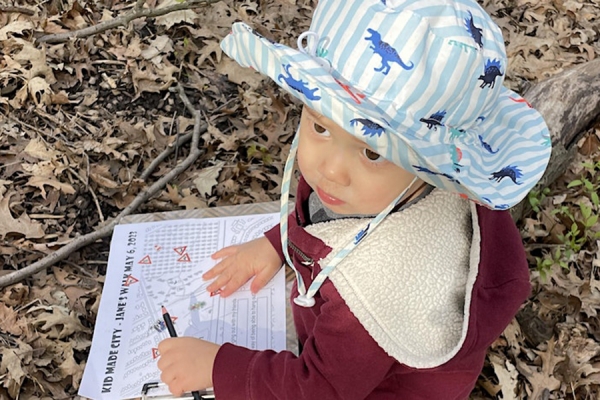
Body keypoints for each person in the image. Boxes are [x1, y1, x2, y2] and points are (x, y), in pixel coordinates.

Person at [157, 0, 552, 398]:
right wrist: (278, 243)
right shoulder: (375, 189)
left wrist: (218, 367)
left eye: (372, 152)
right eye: (320, 126)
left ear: (429, 166)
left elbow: (318, 390)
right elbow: (327, 220)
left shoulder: (377, 289)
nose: (331, 169)